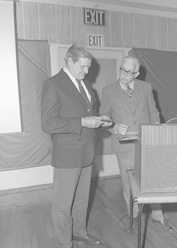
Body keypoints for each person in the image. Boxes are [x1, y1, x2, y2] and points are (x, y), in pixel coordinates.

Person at [41, 44, 111, 248]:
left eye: (88, 67)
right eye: (82, 67)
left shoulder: (87, 85)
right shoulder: (53, 84)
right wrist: (83, 122)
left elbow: (88, 114)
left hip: (86, 153)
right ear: (69, 61)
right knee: (62, 206)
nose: (87, 72)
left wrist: (100, 119)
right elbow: (48, 123)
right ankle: (64, 243)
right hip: (67, 156)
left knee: (82, 200)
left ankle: (79, 233)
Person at [99, 55, 174, 233]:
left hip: (147, 145)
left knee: (153, 183)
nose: (124, 74)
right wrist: (114, 127)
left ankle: (158, 216)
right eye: (122, 69)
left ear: (137, 73)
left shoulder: (146, 87)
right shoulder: (108, 91)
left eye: (129, 72)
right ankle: (133, 218)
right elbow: (104, 118)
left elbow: (153, 111)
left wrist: (154, 126)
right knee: (129, 187)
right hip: (124, 148)